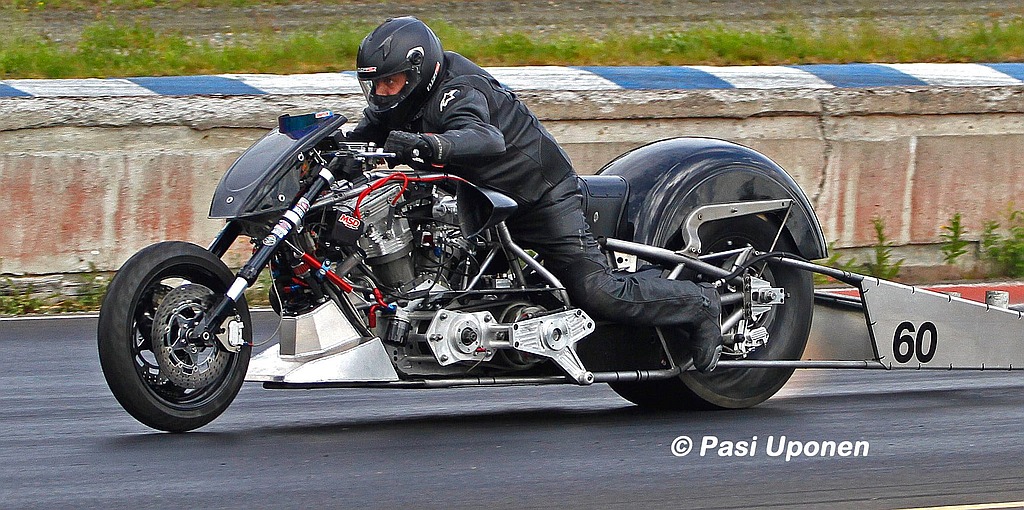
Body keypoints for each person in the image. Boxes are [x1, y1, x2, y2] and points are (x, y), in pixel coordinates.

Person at [347, 16, 724, 372]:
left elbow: (485, 138)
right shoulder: (397, 101)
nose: (381, 93)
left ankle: (700, 302)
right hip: (484, 200)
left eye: (390, 82)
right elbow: (359, 138)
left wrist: (429, 144)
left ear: (419, 72)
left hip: (539, 197)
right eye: (374, 84)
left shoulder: (459, 91)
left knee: (597, 292)